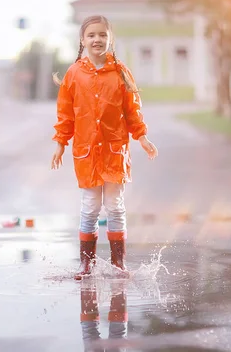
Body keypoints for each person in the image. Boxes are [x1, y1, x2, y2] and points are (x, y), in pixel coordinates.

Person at [51, 15, 158, 280]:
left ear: (110, 39)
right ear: (82, 40)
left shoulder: (120, 72)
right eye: (91, 35)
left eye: (102, 35)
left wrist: (142, 137)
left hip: (114, 152)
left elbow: (132, 110)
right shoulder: (74, 74)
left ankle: (118, 263)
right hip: (86, 152)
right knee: (89, 206)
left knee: (115, 206)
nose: (97, 39)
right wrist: (60, 144)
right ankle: (85, 264)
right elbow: (66, 114)